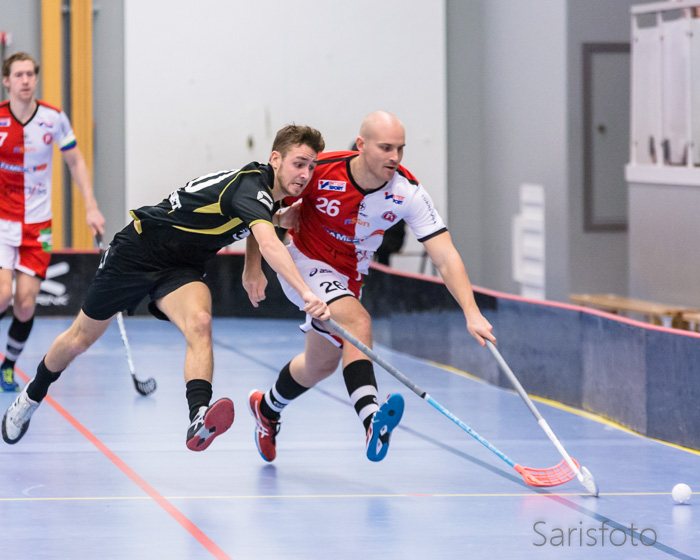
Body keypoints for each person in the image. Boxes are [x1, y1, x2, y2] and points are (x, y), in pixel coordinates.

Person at [2, 124, 331, 451]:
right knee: (79, 339)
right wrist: (307, 293)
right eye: (298, 163)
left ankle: (198, 416)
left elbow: (256, 219)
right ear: (275, 159)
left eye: (311, 166)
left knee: (200, 322)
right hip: (138, 251)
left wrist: (255, 261)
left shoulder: (264, 193)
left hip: (181, 268)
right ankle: (32, 395)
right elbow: (268, 240)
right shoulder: (252, 188)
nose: (305, 174)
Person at [243, 110, 496, 463]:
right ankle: (371, 419)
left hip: (349, 277)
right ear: (361, 145)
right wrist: (252, 266)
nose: (395, 157)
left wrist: (472, 312)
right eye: (386, 148)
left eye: (400, 149)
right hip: (305, 261)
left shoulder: (407, 192)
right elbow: (256, 209)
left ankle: (267, 409)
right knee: (358, 321)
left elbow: (445, 255)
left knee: (319, 365)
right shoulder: (319, 169)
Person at [0, 52, 105, 391]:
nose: (26, 80)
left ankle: (8, 366)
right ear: (7, 81)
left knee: (25, 303)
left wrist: (91, 206)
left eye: (30, 74)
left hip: (38, 225)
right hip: (2, 222)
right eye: (18, 75)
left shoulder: (53, 118)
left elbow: (75, 162)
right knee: (2, 294)